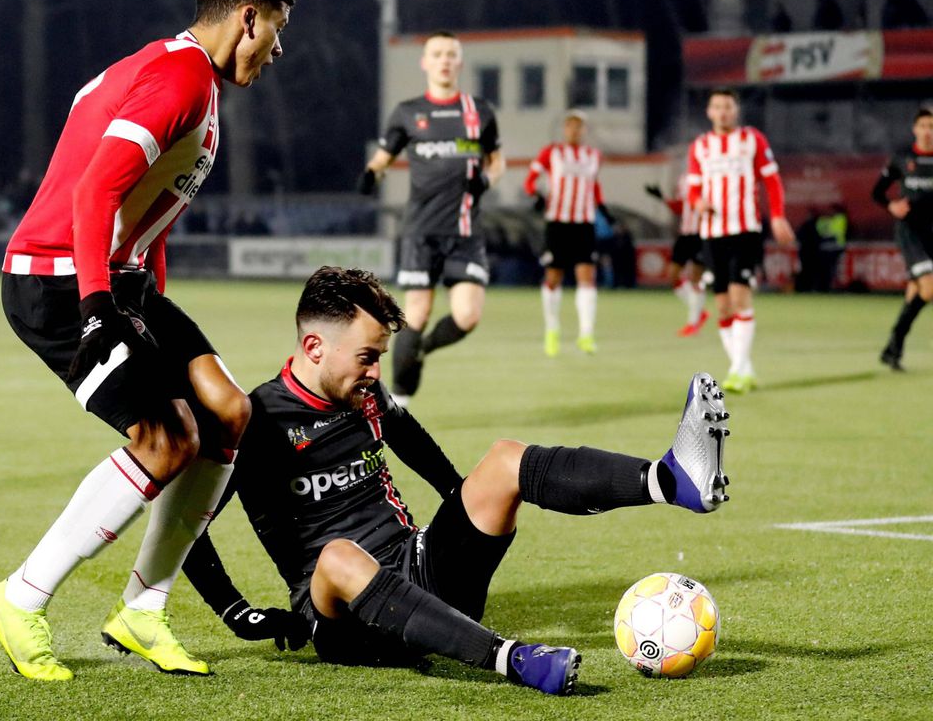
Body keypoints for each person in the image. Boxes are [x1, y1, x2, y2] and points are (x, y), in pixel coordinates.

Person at [181, 266, 731, 696]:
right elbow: (185, 524)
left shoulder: (363, 393)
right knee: (339, 557)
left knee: (503, 460)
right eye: (368, 357)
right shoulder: (254, 422)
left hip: (421, 571)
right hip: (340, 616)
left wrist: (462, 500)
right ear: (314, 348)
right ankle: (512, 659)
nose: (376, 373)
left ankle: (669, 478)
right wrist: (234, 611)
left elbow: (410, 438)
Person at [0, 0, 295, 682]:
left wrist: (146, 300)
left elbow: (148, 213)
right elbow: (94, 194)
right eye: (274, 31)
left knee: (228, 411)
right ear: (245, 16)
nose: (278, 49)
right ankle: (20, 600)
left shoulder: (193, 80)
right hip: (57, 281)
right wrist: (95, 308)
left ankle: (141, 612)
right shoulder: (180, 78)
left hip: (121, 282)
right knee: (166, 438)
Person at [357, 30, 504, 405]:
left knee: (468, 316)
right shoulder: (408, 112)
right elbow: (385, 155)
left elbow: (497, 160)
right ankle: (399, 407)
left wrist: (487, 179)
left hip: (465, 232)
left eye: (451, 54)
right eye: (437, 54)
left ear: (459, 62)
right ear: (425, 62)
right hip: (421, 232)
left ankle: (420, 349)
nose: (444, 60)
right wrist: (372, 173)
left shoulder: (479, 112)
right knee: (416, 313)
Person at [687, 89, 795, 393]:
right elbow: (693, 189)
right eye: (717, 106)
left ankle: (735, 371)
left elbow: (772, 181)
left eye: (728, 106)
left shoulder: (752, 140)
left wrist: (777, 216)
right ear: (709, 111)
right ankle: (744, 368)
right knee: (722, 307)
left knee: (739, 296)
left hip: (745, 230)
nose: (722, 112)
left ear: (735, 111)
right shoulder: (700, 147)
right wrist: (698, 203)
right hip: (712, 233)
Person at [525, 110, 613, 355]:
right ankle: (551, 329)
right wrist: (537, 195)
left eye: (579, 126)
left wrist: (603, 208)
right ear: (564, 128)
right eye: (571, 125)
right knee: (554, 277)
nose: (575, 130)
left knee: (587, 275)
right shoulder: (551, 152)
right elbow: (530, 180)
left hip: (584, 223)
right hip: (558, 222)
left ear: (585, 130)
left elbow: (594, 186)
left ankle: (586, 333)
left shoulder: (593, 156)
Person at [874, 108, 933, 371]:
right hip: (910, 232)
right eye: (923, 126)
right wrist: (891, 206)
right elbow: (877, 192)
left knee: (915, 293)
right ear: (915, 129)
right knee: (929, 289)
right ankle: (894, 344)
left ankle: (892, 349)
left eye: (932, 126)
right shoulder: (903, 158)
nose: (928, 131)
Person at [645, 180, 709, 336]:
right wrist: (662, 198)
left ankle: (693, 322)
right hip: (685, 236)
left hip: (701, 235)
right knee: (672, 275)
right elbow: (681, 207)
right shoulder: (684, 180)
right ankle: (699, 311)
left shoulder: (710, 176)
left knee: (695, 278)